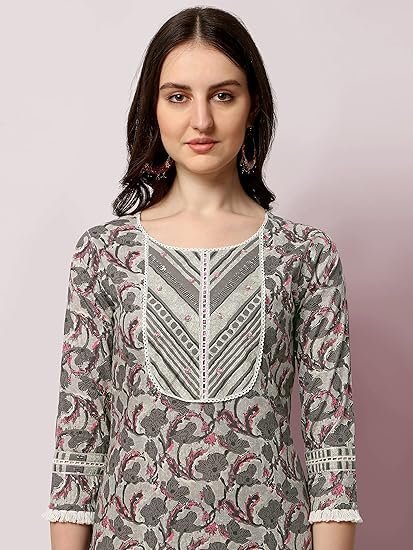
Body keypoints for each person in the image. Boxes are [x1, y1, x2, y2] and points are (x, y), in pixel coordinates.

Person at [42, 6, 363, 550]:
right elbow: (79, 443)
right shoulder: (104, 254)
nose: (202, 121)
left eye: (223, 95)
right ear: (152, 108)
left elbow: (332, 451)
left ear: (253, 106)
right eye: (178, 96)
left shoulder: (305, 255)